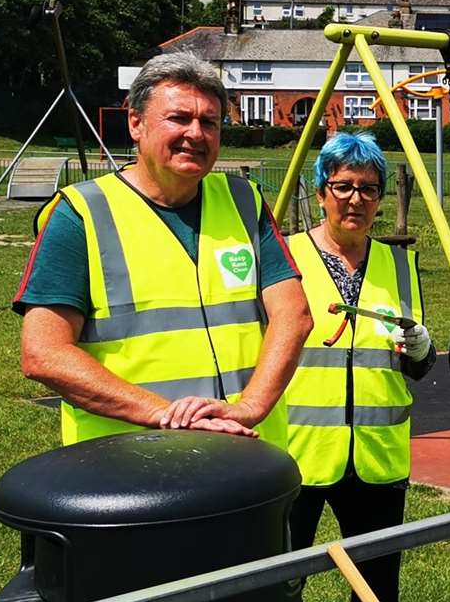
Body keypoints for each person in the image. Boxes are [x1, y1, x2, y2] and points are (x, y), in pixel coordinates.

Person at [16, 50, 311, 445]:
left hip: (244, 456)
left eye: (209, 122)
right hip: (130, 465)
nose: (196, 133)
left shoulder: (245, 202)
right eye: (179, 118)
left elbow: (294, 316)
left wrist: (250, 406)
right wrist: (164, 414)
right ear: (136, 123)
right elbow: (44, 353)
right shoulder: (81, 215)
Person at [283, 132, 433, 602]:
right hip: (296, 452)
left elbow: (413, 360)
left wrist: (422, 350)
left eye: (367, 189)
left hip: (375, 450)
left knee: (377, 579)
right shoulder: (286, 257)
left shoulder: (398, 261)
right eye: (342, 187)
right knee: (278, 581)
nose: (355, 199)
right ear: (321, 193)